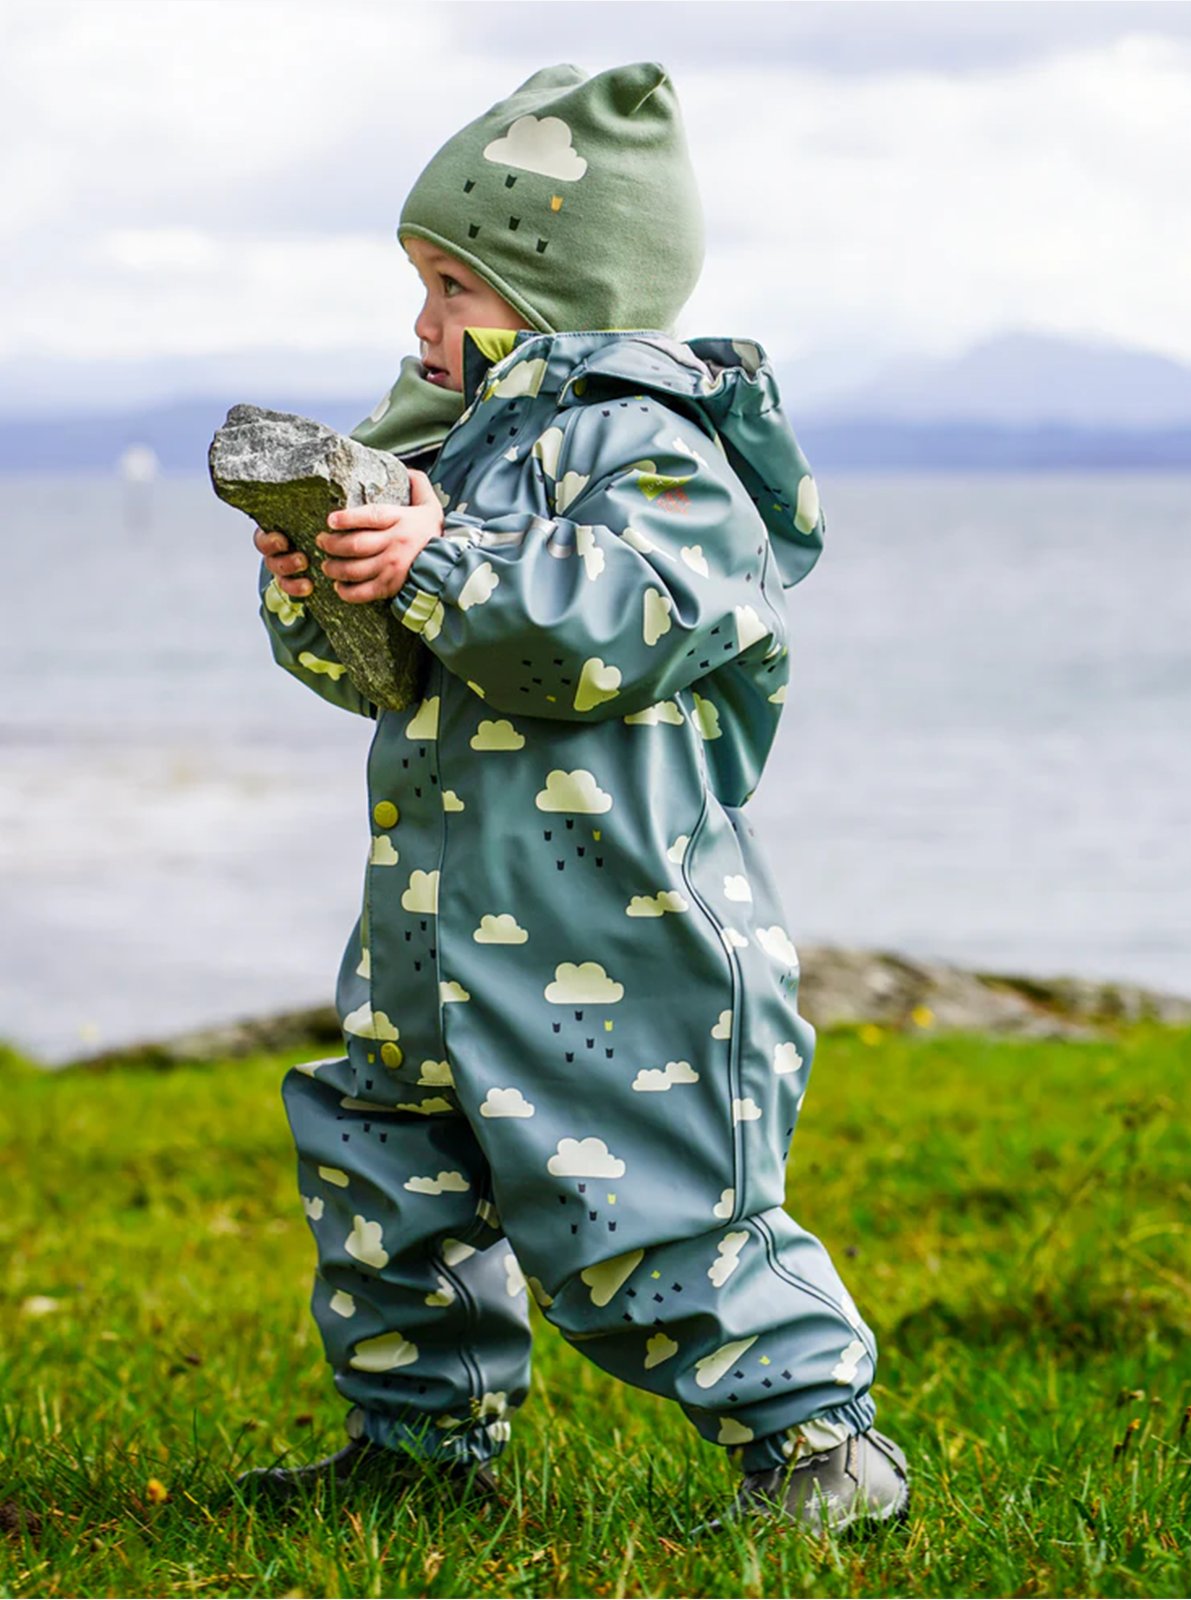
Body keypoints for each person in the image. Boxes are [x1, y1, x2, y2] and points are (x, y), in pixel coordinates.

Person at [240, 61, 909, 1536]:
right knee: (385, 1162)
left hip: (625, 930)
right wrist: (326, 592)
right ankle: (419, 1446)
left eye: (452, 286)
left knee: (656, 1197)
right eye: (416, 282)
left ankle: (820, 1447)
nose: (422, 322)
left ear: (565, 290)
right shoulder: (453, 450)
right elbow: (390, 682)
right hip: (430, 929)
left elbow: (619, 621)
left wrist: (441, 561)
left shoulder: (653, 448)